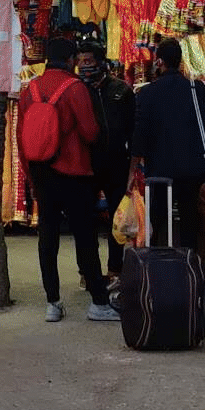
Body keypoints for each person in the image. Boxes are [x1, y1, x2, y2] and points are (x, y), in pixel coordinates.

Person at [21, 38, 117, 323]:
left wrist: (30, 174)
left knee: (47, 238)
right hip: (74, 173)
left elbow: (21, 137)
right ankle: (98, 303)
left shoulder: (30, 89)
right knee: (85, 238)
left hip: (41, 172)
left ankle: (53, 302)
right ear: (72, 59)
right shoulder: (75, 89)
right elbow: (90, 132)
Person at [130, 37, 205, 258]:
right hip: (193, 168)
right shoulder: (196, 88)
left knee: (157, 220)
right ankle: (191, 268)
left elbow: (139, 137)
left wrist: (131, 172)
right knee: (191, 221)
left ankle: (159, 266)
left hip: (160, 171)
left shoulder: (148, 93)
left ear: (159, 61)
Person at [75, 39, 137, 278]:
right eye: (80, 62)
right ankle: (88, 272)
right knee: (85, 221)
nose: (83, 67)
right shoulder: (78, 91)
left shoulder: (121, 90)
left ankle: (115, 270)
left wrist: (134, 166)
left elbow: (133, 129)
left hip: (116, 164)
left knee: (117, 220)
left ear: (101, 62)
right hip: (86, 165)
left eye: (88, 61)